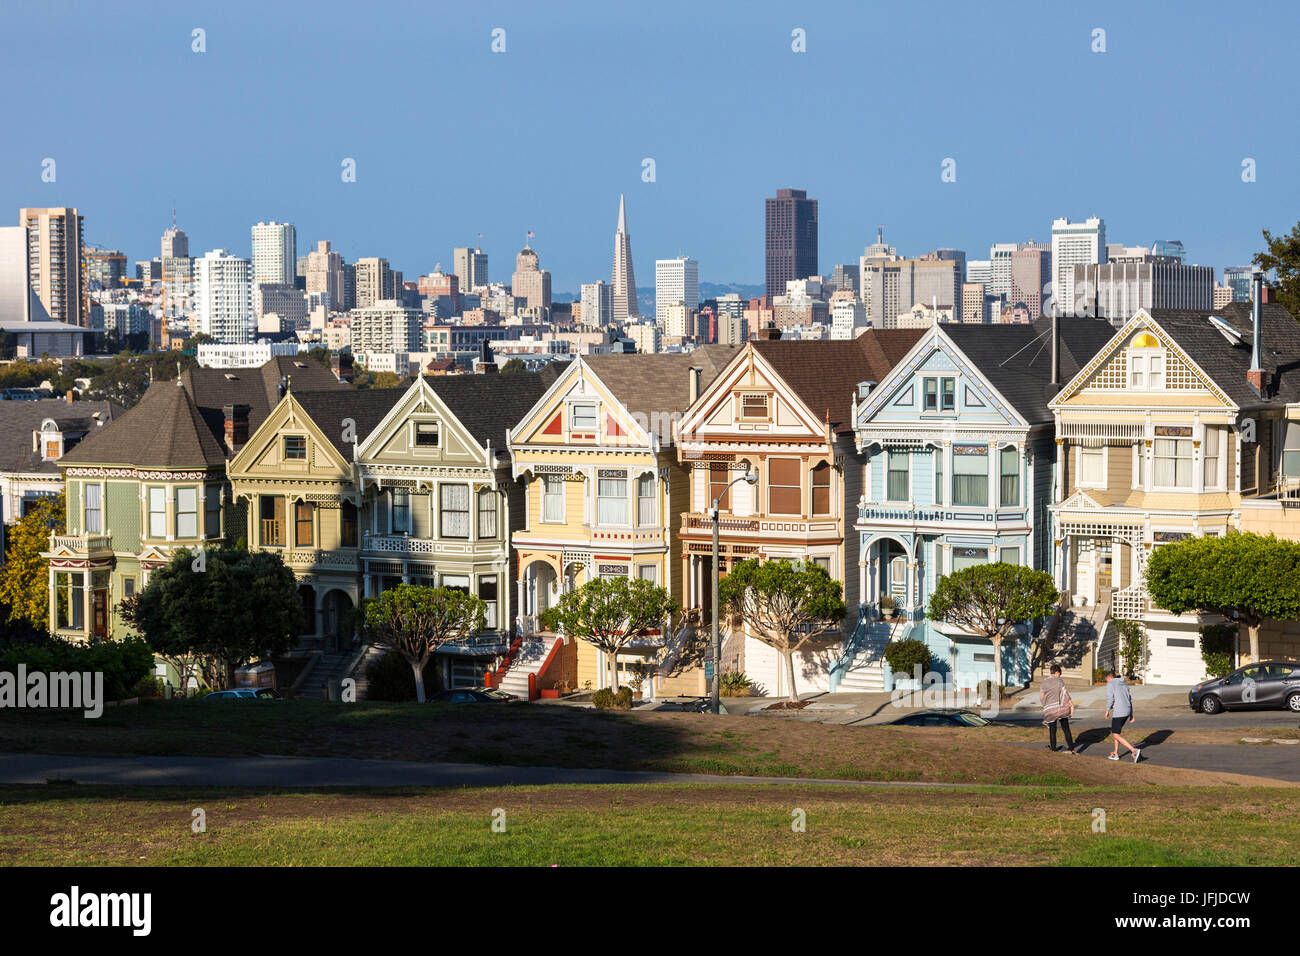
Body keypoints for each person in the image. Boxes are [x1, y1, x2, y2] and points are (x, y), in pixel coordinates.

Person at [1104, 670, 1141, 762]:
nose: (1107, 682)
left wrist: (1107, 710)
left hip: (1119, 712)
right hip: (1127, 711)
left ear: (1109, 678)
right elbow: (1130, 700)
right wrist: (1131, 715)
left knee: (1115, 734)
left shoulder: (1110, 684)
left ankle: (1134, 750)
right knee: (1117, 733)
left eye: (1106, 680)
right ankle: (1115, 753)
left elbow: (1110, 699)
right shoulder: (1124, 685)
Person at [1040, 663, 1076, 753]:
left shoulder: (1044, 683)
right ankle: (1071, 748)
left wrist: (1046, 706)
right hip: (1061, 709)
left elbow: (1042, 697)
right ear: (1056, 672)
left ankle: (1053, 749)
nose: (1060, 675)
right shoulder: (1059, 681)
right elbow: (1065, 694)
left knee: (1052, 730)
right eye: (1059, 673)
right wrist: (1071, 704)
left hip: (1050, 710)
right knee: (1066, 729)